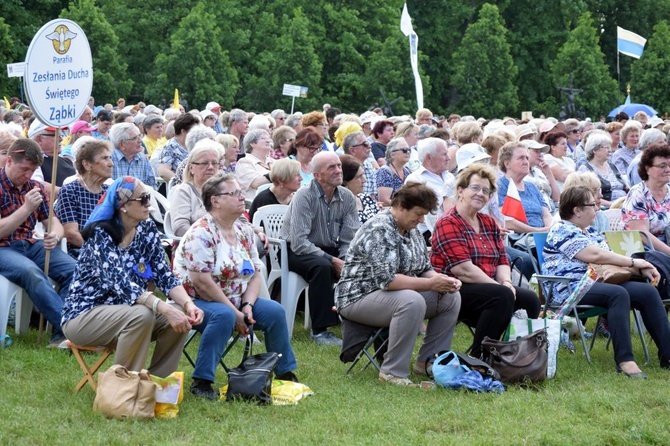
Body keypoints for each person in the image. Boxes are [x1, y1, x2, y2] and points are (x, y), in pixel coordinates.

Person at [61, 177, 203, 376]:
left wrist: (188, 304)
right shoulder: (100, 233)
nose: (149, 204)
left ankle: (156, 383)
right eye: (143, 199)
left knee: (179, 314)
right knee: (142, 314)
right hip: (84, 317)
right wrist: (164, 308)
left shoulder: (147, 229)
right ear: (124, 205)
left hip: (127, 314)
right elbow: (122, 284)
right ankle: (122, 386)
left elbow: (165, 275)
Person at [173, 173, 297, 398]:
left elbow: (255, 273)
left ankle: (285, 373)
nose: (242, 198)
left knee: (275, 311)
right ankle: (202, 380)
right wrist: (235, 312)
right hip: (195, 301)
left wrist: (248, 306)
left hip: (237, 298)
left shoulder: (244, 230)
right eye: (234, 193)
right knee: (224, 316)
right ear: (215, 200)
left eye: (241, 192)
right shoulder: (201, 232)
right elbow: (201, 282)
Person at [336, 183, 461, 386]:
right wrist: (431, 283)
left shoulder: (410, 229)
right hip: (357, 296)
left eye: (424, 215)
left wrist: (443, 281)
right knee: (411, 301)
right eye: (418, 214)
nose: (421, 220)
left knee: (450, 297)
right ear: (401, 206)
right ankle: (392, 372)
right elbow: (387, 280)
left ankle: (428, 361)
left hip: (392, 295)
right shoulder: (379, 228)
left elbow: (423, 267)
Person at [543, 185, 670, 377]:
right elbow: (594, 255)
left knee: (647, 292)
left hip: (598, 283)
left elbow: (611, 258)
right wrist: (635, 261)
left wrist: (642, 268)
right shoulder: (561, 229)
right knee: (618, 294)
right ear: (577, 210)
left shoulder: (590, 232)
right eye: (592, 205)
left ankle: (668, 354)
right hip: (569, 288)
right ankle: (625, 360)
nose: (598, 209)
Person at [432, 164, 540, 359]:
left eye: (486, 191)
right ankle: (480, 358)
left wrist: (506, 282)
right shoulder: (448, 222)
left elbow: (502, 259)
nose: (480, 194)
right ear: (460, 191)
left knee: (529, 299)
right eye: (475, 188)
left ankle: (520, 355)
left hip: (488, 288)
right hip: (453, 289)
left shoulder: (488, 222)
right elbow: (463, 270)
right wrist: (502, 288)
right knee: (501, 296)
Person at [0, 139, 76, 347]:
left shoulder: (35, 187)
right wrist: (25, 209)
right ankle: (72, 331)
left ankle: (61, 334)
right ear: (9, 161)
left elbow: (54, 223)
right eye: (24, 169)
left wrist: (55, 235)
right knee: (31, 273)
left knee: (76, 270)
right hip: (4, 248)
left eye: (32, 170)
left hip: (31, 244)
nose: (28, 175)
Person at [280, 152, 360, 345]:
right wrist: (333, 260)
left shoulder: (347, 197)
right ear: (317, 175)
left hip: (328, 249)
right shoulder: (304, 196)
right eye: (331, 167)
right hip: (297, 250)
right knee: (322, 267)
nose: (338, 171)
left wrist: (345, 259)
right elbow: (299, 242)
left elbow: (349, 237)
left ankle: (363, 321)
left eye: (339, 166)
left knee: (360, 264)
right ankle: (320, 332)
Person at [55, 140, 113, 257]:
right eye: (104, 158)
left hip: (110, 251)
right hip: (82, 252)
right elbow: (71, 234)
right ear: (87, 164)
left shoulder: (110, 192)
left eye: (110, 158)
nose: (111, 163)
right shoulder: (71, 190)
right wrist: (100, 252)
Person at [622, 142, 670, 256]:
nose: (668, 169)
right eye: (662, 166)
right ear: (648, 169)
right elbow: (642, 234)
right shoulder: (638, 194)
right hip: (647, 253)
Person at [168, 140, 224, 237]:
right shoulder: (184, 191)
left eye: (214, 163)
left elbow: (241, 220)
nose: (210, 167)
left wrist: (258, 232)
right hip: (197, 244)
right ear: (191, 168)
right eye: (204, 163)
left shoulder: (224, 190)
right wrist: (211, 237)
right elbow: (180, 227)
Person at [405, 137, 454, 243]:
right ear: (429, 157)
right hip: (429, 235)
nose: (449, 158)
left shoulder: (449, 177)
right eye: (444, 154)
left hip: (453, 229)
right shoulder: (416, 180)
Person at [497, 141, 553, 233]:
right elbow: (506, 220)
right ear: (507, 164)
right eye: (521, 158)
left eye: (527, 158)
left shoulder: (532, 187)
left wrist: (549, 229)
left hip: (543, 234)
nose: (526, 162)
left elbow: (546, 215)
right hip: (519, 239)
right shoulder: (500, 186)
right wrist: (536, 231)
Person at [578, 132, 628, 207]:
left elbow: (626, 187)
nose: (610, 150)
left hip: (624, 203)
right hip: (606, 208)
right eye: (606, 148)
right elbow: (589, 196)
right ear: (595, 150)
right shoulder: (586, 169)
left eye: (610, 147)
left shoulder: (612, 166)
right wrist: (614, 205)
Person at [28, 119, 76, 188]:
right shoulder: (33, 163)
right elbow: (38, 184)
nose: (61, 139)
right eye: (55, 135)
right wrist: (67, 194)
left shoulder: (67, 161)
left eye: (61, 134)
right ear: (39, 139)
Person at [110, 123, 156, 189]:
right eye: (135, 138)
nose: (140, 141)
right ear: (122, 144)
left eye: (140, 136)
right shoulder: (109, 159)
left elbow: (151, 185)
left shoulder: (142, 158)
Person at [157, 112, 199, 182]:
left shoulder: (195, 144)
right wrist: (183, 182)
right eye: (193, 130)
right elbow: (163, 171)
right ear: (183, 131)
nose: (196, 133)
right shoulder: (170, 146)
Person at [234, 129, 273, 200]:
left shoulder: (274, 162)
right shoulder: (244, 162)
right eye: (263, 138)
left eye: (269, 139)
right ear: (252, 143)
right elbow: (256, 183)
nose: (268, 141)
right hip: (256, 205)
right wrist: (280, 174)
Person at [340, 154, 379, 224]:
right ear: (345, 182)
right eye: (359, 177)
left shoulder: (366, 198)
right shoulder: (340, 207)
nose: (364, 180)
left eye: (363, 175)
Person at [524, 139, 560, 213]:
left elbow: (557, 198)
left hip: (553, 211)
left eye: (540, 152)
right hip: (536, 214)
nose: (540, 154)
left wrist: (549, 173)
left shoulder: (539, 171)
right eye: (536, 151)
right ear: (525, 152)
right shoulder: (519, 174)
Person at [342, 130, 377, 199]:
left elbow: (373, 196)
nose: (369, 146)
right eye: (365, 144)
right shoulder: (342, 168)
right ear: (353, 150)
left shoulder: (368, 165)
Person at [376, 138, 411, 206]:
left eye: (409, 150)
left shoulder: (407, 171)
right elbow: (384, 200)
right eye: (404, 150)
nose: (408, 152)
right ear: (392, 154)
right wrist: (405, 208)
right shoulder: (385, 171)